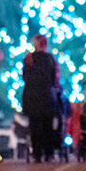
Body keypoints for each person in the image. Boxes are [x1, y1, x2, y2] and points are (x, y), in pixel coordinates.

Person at [22, 34, 61, 163]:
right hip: (47, 96)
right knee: (47, 125)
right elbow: (55, 79)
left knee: (34, 125)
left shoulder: (28, 59)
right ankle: (48, 153)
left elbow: (25, 77)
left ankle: (37, 153)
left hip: (32, 96)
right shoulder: (51, 59)